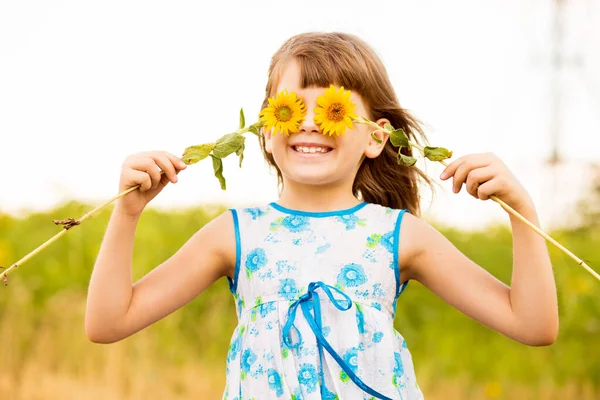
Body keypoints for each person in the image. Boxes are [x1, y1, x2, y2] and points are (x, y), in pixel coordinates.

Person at [85, 32, 559, 399]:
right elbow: (108, 323)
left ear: (377, 137)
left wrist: (521, 211)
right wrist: (127, 213)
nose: (310, 121)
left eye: (332, 108)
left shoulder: (398, 235)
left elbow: (532, 325)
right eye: (293, 108)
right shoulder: (235, 235)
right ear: (266, 128)